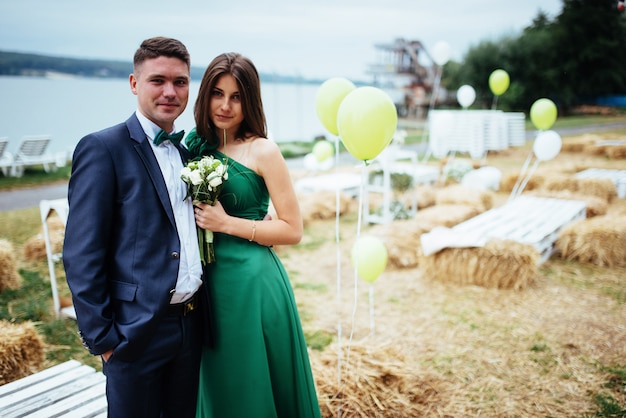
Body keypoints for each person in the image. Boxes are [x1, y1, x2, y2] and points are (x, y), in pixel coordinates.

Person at [63, 36, 212, 418]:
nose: (170, 91)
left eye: (180, 82)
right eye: (157, 80)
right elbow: (82, 252)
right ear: (134, 83)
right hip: (135, 333)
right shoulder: (103, 148)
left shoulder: (185, 153)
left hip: (190, 325)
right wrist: (105, 340)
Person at [186, 52, 322, 418]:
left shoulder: (263, 150)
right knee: (218, 382)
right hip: (206, 284)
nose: (226, 105)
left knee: (253, 382)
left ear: (251, 100)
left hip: (253, 285)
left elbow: (292, 229)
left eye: (236, 96)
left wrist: (227, 223)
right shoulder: (193, 145)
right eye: (217, 93)